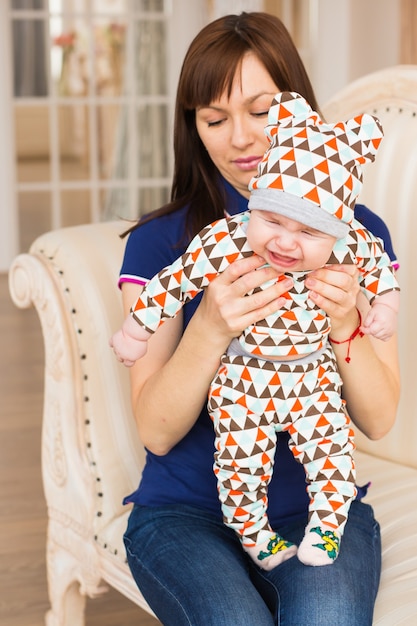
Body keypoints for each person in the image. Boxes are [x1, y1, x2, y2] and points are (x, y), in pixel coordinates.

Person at [117, 12, 400, 625]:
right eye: (214, 119)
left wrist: (348, 320)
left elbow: (378, 419)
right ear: (193, 128)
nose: (241, 138)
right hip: (183, 514)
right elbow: (157, 431)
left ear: (297, 110)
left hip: (319, 511)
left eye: (261, 110)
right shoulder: (164, 245)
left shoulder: (358, 239)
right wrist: (212, 328)